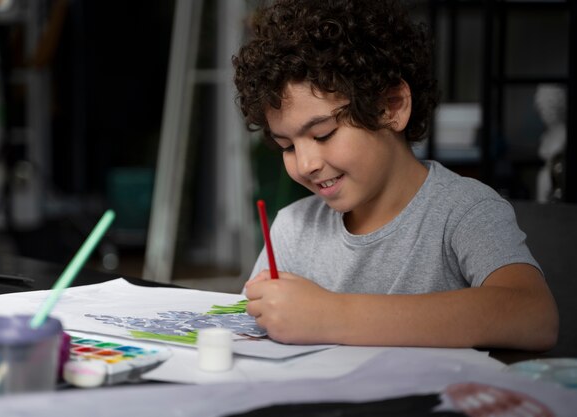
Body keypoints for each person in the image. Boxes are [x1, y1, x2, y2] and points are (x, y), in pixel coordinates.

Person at [232, 0, 558, 350]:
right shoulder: (292, 229)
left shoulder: (464, 211)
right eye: (288, 146)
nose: (306, 163)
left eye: (323, 133)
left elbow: (534, 316)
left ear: (392, 107)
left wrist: (333, 315)